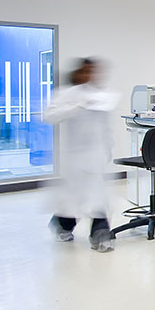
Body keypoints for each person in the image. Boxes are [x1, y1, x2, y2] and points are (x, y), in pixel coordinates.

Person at [45, 58, 118, 252]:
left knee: (98, 198)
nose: (90, 76)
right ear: (77, 73)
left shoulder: (101, 96)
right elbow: (49, 116)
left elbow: (104, 125)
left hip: (95, 154)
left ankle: (101, 236)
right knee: (75, 198)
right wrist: (77, 106)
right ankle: (62, 224)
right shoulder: (66, 94)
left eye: (93, 72)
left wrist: (108, 146)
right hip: (74, 156)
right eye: (86, 72)